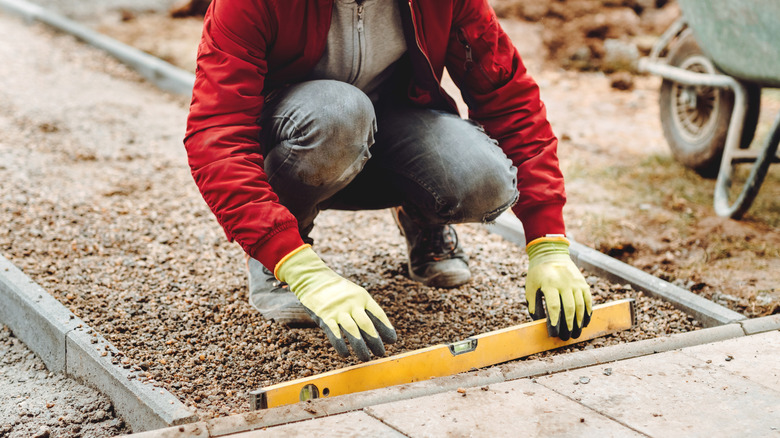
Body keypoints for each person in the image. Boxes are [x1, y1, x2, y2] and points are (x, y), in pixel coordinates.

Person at [184, 0, 593, 362]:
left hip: (391, 126)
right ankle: (279, 261)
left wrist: (548, 243)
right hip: (304, 135)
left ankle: (423, 217)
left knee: (485, 178)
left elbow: (509, 97)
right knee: (339, 112)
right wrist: (297, 263)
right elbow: (216, 133)